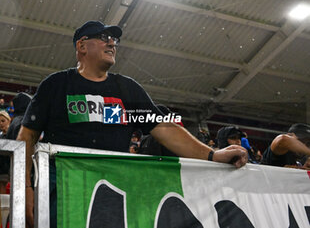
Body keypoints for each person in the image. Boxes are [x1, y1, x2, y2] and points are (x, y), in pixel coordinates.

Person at [17, 20, 247, 228]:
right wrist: (25, 189)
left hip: (112, 194)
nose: (112, 43)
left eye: (114, 39)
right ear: (82, 46)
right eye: (103, 37)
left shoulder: (126, 89)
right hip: (64, 192)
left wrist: (212, 155)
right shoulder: (56, 85)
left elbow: (166, 130)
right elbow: (27, 138)